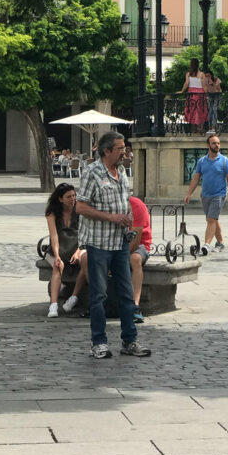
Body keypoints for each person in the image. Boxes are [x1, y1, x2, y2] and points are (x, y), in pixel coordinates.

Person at [75, 131, 151, 359]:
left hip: (120, 243)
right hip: (99, 243)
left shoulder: (121, 173)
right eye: (120, 148)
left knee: (127, 294)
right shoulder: (91, 173)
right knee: (99, 295)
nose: (124, 152)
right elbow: (81, 207)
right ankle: (98, 342)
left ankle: (130, 340)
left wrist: (127, 217)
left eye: (124, 148)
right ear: (107, 151)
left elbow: (124, 203)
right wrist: (112, 217)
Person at [184, 131, 228, 255]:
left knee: (211, 219)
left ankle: (206, 244)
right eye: (214, 143)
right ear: (208, 145)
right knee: (213, 219)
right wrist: (189, 193)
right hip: (205, 195)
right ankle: (220, 243)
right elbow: (196, 178)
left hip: (219, 195)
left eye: (218, 143)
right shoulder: (202, 161)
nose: (217, 145)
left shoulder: (225, 161)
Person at [44, 183, 88, 318]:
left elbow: (84, 234)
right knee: (58, 266)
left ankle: (73, 297)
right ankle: (53, 305)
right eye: (68, 196)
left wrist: (78, 251)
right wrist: (57, 255)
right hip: (57, 248)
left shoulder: (79, 209)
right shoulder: (52, 213)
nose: (73, 199)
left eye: (74, 195)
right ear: (60, 199)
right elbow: (54, 236)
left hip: (77, 247)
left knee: (86, 261)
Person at [129, 194, 152, 322]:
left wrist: (121, 257)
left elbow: (135, 240)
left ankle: (135, 305)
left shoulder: (137, 205)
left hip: (139, 244)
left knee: (135, 259)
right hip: (115, 243)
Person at [178, 57, 208, 132]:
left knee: (192, 111)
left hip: (191, 94)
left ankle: (193, 128)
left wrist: (182, 91)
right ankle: (200, 128)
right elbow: (204, 85)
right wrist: (207, 94)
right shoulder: (202, 74)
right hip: (200, 94)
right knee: (200, 111)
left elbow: (186, 83)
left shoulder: (188, 74)